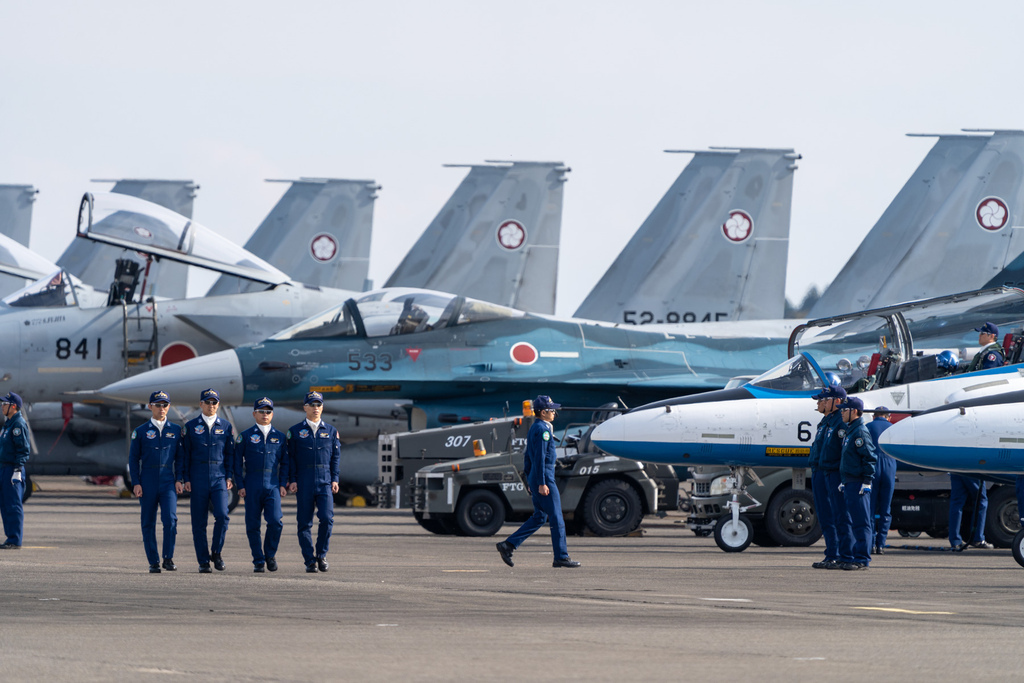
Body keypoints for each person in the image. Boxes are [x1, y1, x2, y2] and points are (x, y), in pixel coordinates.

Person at [496, 395, 580, 569]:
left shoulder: (535, 427)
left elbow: (528, 457)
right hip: (545, 477)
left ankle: (508, 545)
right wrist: (541, 483)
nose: (554, 413)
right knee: (557, 518)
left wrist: (530, 478)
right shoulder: (543, 430)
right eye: (552, 410)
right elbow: (540, 458)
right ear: (543, 412)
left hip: (536, 476)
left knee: (540, 517)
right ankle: (561, 557)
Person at [128, 391, 184, 573]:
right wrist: (135, 482)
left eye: (165, 405)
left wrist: (179, 479)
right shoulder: (141, 432)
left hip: (168, 481)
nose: (162, 408)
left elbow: (180, 458)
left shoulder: (175, 430)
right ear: (150, 406)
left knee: (170, 520)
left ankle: (168, 558)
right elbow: (133, 459)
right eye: (158, 405)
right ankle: (153, 561)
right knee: (148, 522)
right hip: (148, 481)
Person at [285, 391, 340, 573]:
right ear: (305, 407)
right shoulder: (295, 432)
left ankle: (321, 555)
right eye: (312, 405)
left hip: (324, 481)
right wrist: (292, 480)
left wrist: (335, 479)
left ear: (322, 407)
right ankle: (309, 560)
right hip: (304, 481)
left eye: (318, 405)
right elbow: (290, 458)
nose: (316, 408)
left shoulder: (331, 431)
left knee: (327, 518)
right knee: (304, 523)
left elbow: (335, 458)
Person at [181, 388, 235, 573]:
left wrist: (229, 476)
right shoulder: (190, 427)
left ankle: (217, 553)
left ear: (218, 405)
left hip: (218, 477)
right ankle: (203, 561)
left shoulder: (226, 427)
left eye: (214, 402)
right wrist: (186, 478)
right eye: (208, 402)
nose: (211, 405)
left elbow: (230, 455)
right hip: (197, 478)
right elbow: (185, 455)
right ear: (201, 404)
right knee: (199, 522)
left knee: (222, 515)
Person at [235, 397, 287, 573]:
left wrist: (282, 483)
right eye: (262, 411)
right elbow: (236, 464)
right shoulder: (245, 436)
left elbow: (285, 463)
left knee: (275, 522)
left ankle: (270, 555)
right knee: (252, 524)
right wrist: (240, 485)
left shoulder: (279, 437)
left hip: (272, 485)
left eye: (268, 411)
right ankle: (258, 559)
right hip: (252, 484)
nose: (265, 415)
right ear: (254, 413)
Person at [807, 385, 846, 569]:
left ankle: (837, 554)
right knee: (824, 515)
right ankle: (831, 553)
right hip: (819, 471)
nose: (820, 403)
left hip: (831, 472)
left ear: (836, 401)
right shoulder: (826, 422)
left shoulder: (840, 422)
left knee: (834, 514)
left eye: (824, 400)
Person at [838, 397, 877, 570]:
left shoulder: (860, 432)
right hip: (850, 482)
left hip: (859, 483)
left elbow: (869, 457)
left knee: (862, 522)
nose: (842, 412)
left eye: (845, 410)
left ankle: (862, 558)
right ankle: (856, 556)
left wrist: (867, 481)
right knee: (854, 521)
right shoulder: (850, 431)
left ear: (854, 411)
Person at [0, 392, 31, 549]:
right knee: (4, 504)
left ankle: (15, 540)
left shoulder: (18, 424)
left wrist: (18, 469)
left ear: (13, 406)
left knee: (13, 504)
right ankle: (10, 538)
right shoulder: (9, 423)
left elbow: (24, 449)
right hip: (4, 468)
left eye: (4, 404)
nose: (2, 406)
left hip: (13, 468)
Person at [866, 407, 894, 554]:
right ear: (888, 417)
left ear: (874, 416)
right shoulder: (894, 427)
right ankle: (881, 544)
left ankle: (870, 543)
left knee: (870, 508)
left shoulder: (868, 427)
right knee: (885, 509)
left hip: (873, 466)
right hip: (889, 466)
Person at [948, 474, 992, 550]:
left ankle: (955, 541)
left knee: (956, 504)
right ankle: (978, 538)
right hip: (972, 471)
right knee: (981, 501)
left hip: (955, 469)